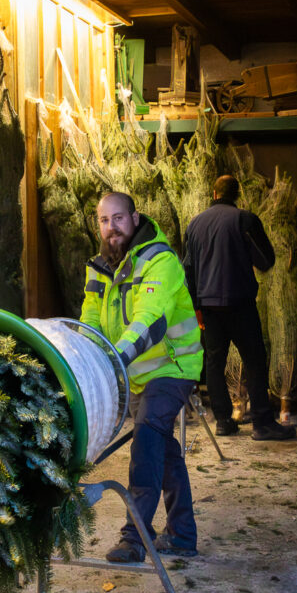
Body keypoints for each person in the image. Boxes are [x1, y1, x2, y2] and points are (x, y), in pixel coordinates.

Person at [81, 191, 204, 562]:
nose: (111, 227)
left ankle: (135, 537)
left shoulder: (159, 259)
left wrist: (114, 359)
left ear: (135, 218)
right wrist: (85, 359)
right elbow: (89, 320)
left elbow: (149, 320)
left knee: (147, 439)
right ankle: (182, 536)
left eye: (118, 218)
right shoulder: (100, 267)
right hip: (136, 373)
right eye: (104, 220)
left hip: (172, 367)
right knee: (165, 453)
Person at [183, 174, 296, 441]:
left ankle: (223, 421)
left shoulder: (195, 224)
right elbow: (266, 259)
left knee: (214, 362)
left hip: (208, 307)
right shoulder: (244, 219)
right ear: (237, 194)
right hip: (240, 303)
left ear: (214, 193)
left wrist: (196, 306)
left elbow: (188, 268)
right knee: (255, 361)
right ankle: (262, 423)